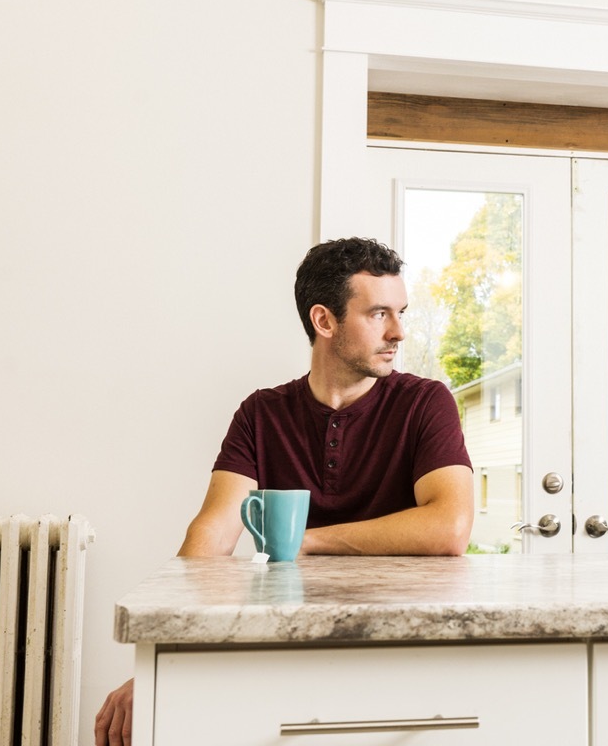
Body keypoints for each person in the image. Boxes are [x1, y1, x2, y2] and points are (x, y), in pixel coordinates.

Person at [95, 237, 474, 745]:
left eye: (401, 312)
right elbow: (212, 535)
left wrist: (305, 541)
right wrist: (155, 662)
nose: (399, 332)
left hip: (404, 649)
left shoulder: (425, 403)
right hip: (287, 643)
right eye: (379, 313)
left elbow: (449, 528)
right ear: (324, 321)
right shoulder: (261, 413)